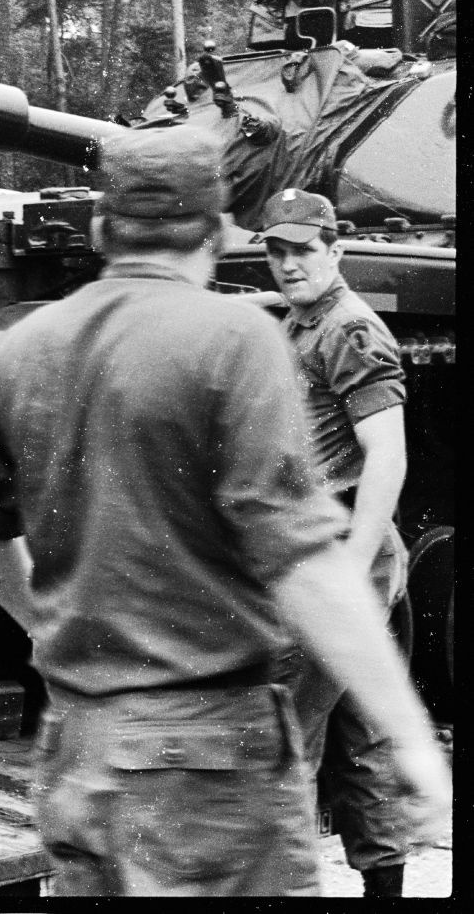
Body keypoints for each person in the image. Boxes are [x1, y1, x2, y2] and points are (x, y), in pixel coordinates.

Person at [0, 124, 449, 896]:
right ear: (217, 233)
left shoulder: (22, 347)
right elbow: (299, 557)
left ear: (96, 229)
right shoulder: (238, 338)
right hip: (214, 762)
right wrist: (413, 736)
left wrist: (46, 624)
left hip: (80, 747)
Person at [255, 188, 413, 898]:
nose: (290, 264)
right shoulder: (303, 323)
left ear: (336, 250)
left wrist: (352, 570)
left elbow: (387, 454)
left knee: (282, 739)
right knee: (360, 740)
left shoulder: (347, 328)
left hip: (334, 554)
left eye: (304, 250)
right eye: (278, 251)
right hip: (333, 547)